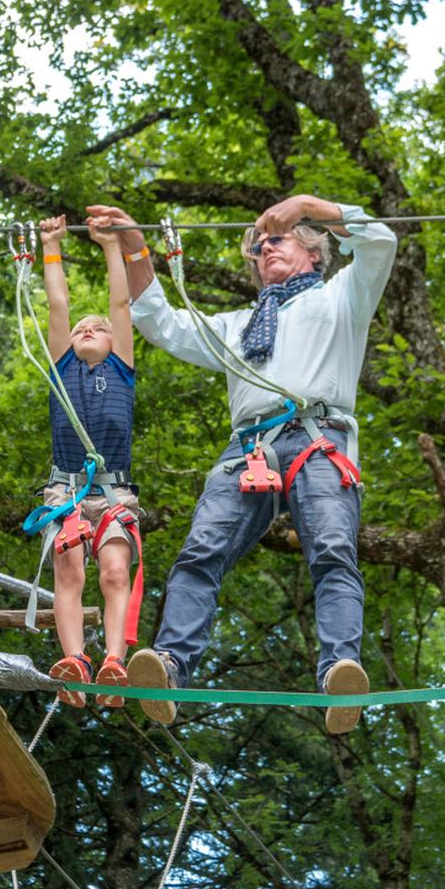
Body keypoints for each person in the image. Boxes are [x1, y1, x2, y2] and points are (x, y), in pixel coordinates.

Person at [85, 195, 396, 734]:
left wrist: (305, 204)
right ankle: (171, 665)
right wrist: (137, 250)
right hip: (249, 448)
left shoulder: (344, 296)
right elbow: (163, 322)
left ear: (314, 249)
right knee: (201, 550)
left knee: (331, 549)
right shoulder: (242, 325)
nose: (265, 247)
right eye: (258, 247)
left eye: (277, 237)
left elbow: (380, 241)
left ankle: (340, 672)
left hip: (319, 437)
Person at [35, 215, 141, 709]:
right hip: (67, 491)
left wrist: (111, 246)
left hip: (115, 492)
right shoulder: (62, 370)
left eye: (99, 328)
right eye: (82, 328)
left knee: (116, 571)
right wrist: (51, 247)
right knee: (69, 569)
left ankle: (115, 659)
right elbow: (59, 303)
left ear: (114, 341)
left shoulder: (122, 368)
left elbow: (120, 302)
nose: (89, 328)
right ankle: (75, 658)